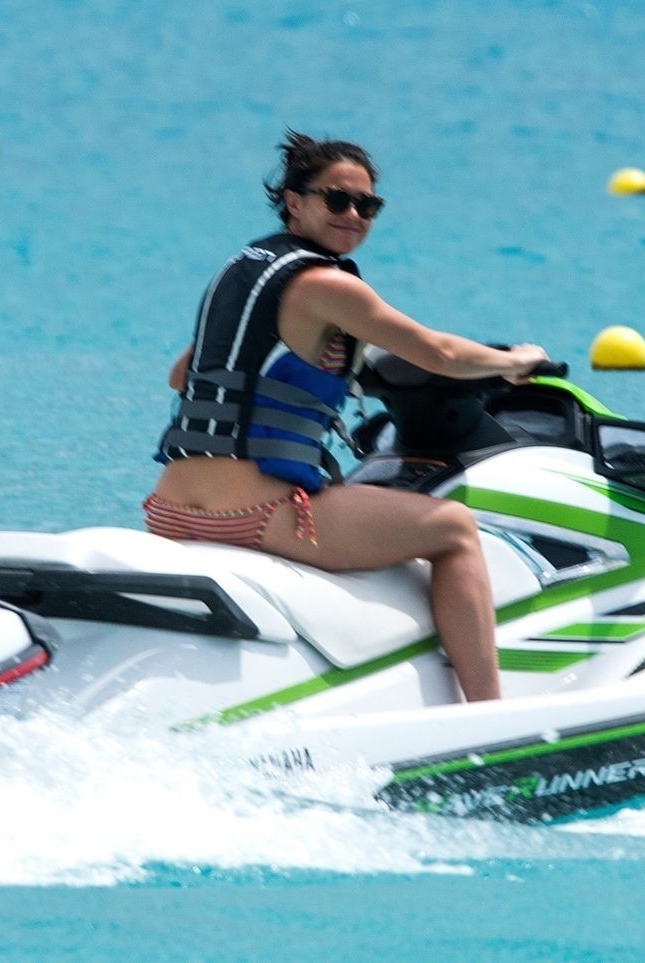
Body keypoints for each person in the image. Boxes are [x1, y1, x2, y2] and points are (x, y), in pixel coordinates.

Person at [148, 131, 548, 702]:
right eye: (337, 199)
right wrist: (515, 362)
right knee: (455, 529)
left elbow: (182, 375)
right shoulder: (326, 284)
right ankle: (489, 715)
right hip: (256, 515)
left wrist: (308, 376)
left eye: (368, 205)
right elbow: (439, 354)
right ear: (294, 201)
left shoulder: (241, 273)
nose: (353, 215)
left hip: (168, 511)